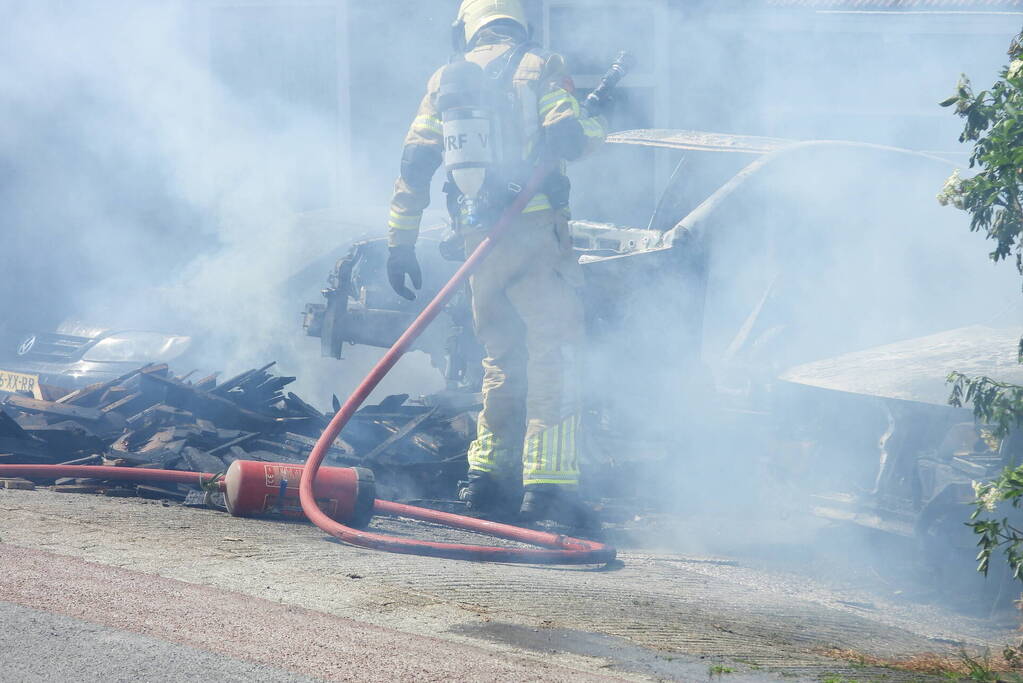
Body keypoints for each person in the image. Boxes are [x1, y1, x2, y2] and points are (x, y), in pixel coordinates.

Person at [385, 0, 606, 524]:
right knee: (554, 353)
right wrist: (593, 123)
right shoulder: (540, 65)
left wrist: (401, 240)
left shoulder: (445, 80)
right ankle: (547, 487)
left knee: (500, 355)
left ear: (466, 28)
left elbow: (415, 161)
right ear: (518, 22)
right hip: (534, 234)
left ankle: (488, 478)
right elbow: (572, 137)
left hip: (478, 238)